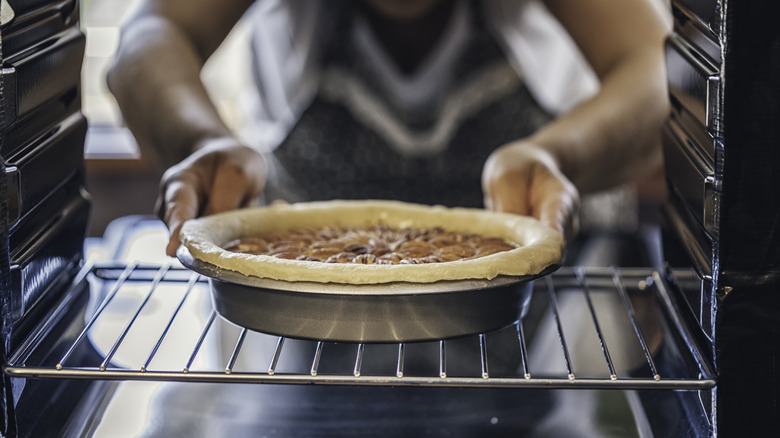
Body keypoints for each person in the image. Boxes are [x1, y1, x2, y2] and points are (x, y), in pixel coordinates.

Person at [107, 0, 670, 257]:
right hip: (308, 327)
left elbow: (656, 70)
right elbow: (147, 38)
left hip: (550, 318)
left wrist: (559, 155)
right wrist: (201, 140)